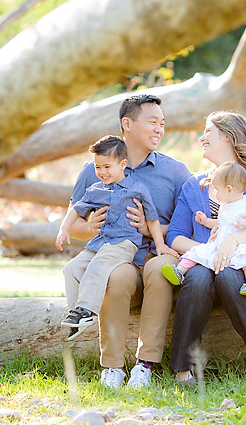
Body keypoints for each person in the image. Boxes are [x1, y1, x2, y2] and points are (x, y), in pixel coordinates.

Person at [65, 94, 190, 389]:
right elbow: (76, 224)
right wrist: (91, 226)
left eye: (162, 123)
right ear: (127, 124)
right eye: (152, 122)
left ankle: (145, 364)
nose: (160, 128)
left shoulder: (174, 171)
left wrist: (149, 229)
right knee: (116, 275)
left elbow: (188, 231)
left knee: (159, 270)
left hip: (160, 252)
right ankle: (112, 366)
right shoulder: (95, 169)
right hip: (117, 255)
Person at [166, 111, 246, 387]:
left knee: (229, 276)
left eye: (208, 132)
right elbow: (175, 236)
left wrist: (231, 241)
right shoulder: (194, 185)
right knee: (196, 276)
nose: (201, 137)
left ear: (229, 137)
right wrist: (207, 250)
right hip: (205, 271)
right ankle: (183, 368)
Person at [56, 135, 178, 338]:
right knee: (72, 268)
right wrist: (64, 228)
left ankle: (87, 309)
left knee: (100, 263)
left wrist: (160, 245)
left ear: (123, 165)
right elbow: (76, 210)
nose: (102, 172)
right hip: (101, 242)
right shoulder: (95, 190)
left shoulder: (137, 190)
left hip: (124, 242)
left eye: (106, 167)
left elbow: (153, 220)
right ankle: (76, 316)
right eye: (97, 168)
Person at [161, 161, 246, 297]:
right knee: (198, 251)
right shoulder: (225, 206)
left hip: (239, 246)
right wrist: (206, 221)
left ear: (229, 190)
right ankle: (180, 271)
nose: (214, 193)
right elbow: (221, 223)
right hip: (220, 246)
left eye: (217, 189)